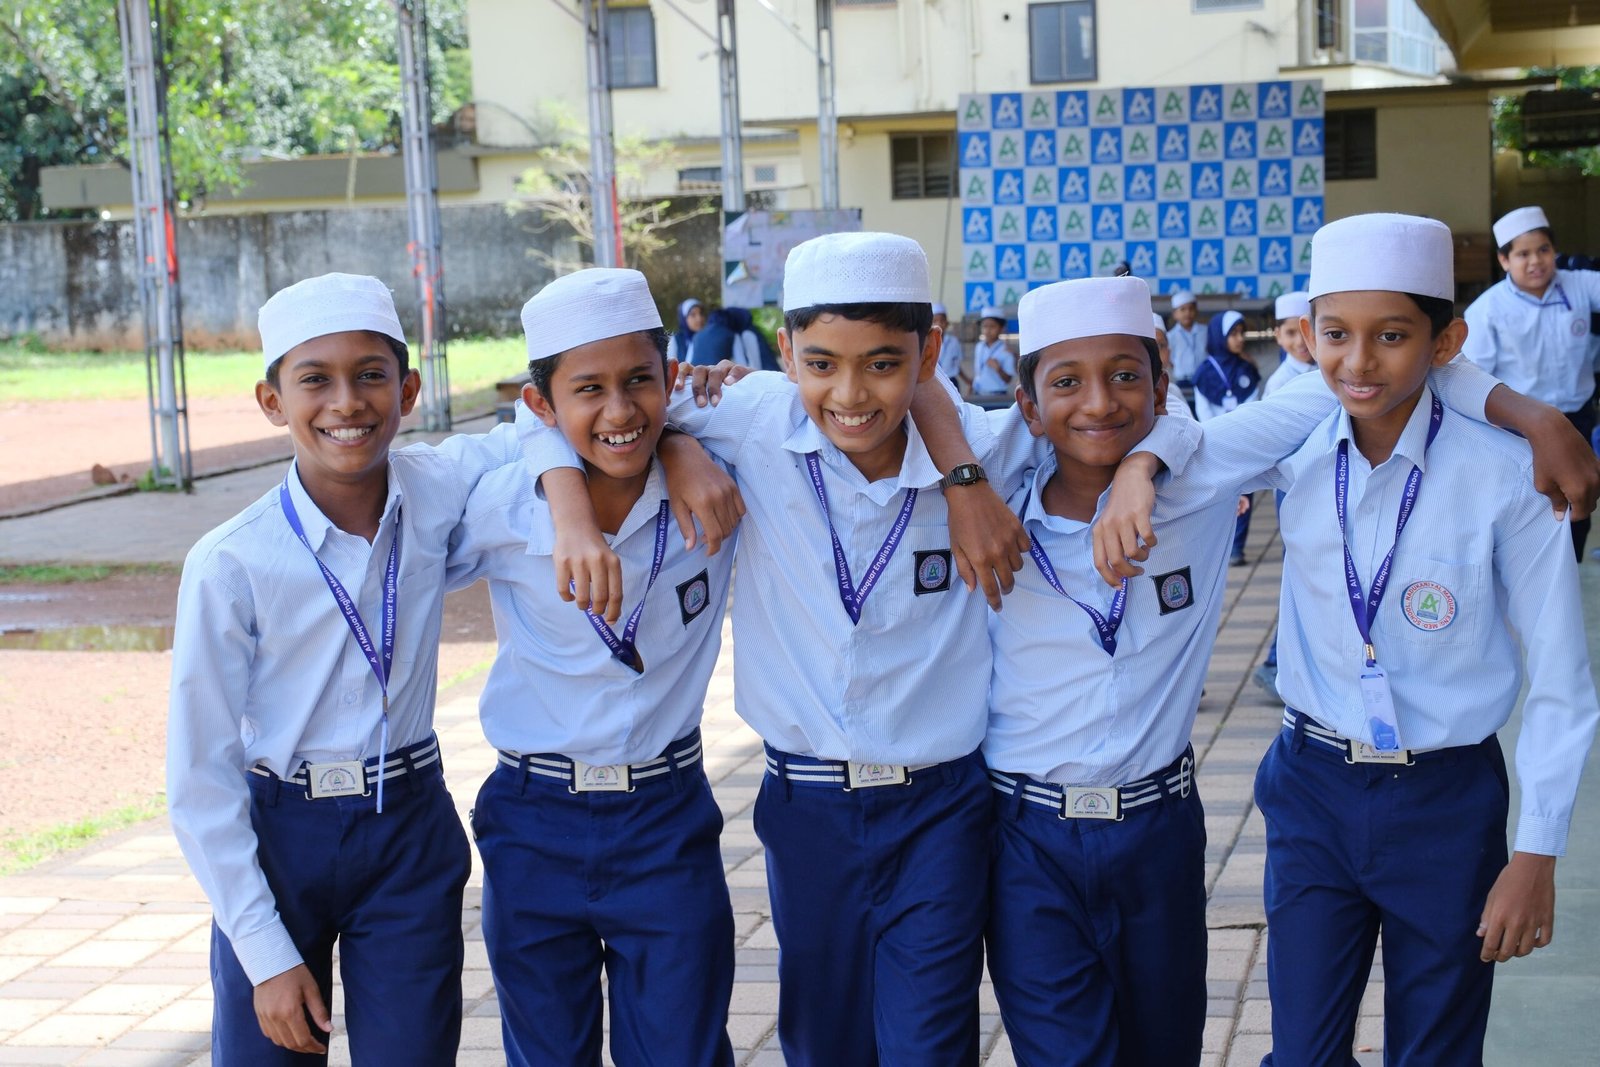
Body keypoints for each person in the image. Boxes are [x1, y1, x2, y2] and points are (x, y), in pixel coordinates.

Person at [521, 232, 1030, 1065]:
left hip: (941, 806)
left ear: (930, 352)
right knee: (823, 1038)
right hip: (807, 807)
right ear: (786, 353)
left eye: (884, 364)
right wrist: (676, 449)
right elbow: (550, 410)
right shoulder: (750, 415)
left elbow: (1142, 428)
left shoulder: (982, 445)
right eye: (822, 363)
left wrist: (967, 478)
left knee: (930, 1038)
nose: (851, 393)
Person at [1106, 213, 1600, 1067]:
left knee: (1436, 1051)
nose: (1360, 362)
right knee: (1300, 1051)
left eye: (1392, 336)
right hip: (1314, 789)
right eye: (1336, 334)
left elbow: (1562, 679)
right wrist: (1136, 466)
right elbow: (1194, 449)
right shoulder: (1296, 437)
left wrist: (1537, 852)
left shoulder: (1504, 478)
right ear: (1307, 336)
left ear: (1447, 342)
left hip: (1447, 802)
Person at [167, 273, 526, 1063]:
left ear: (409, 389)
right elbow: (198, 775)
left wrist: (676, 452)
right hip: (279, 836)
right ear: (272, 400)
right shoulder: (230, 562)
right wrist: (264, 953)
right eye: (315, 380)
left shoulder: (436, 486)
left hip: (408, 826)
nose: (347, 402)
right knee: (269, 1047)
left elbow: (543, 428)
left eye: (370, 375)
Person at [450, 269, 740, 1066]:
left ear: (669, 377)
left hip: (665, 817)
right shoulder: (501, 503)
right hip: (533, 818)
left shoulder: (718, 485)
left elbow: (793, 403)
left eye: (639, 381)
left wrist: (681, 440)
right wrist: (563, 493)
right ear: (542, 404)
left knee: (683, 1049)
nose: (619, 410)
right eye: (589, 390)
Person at [1462, 205, 1600, 561]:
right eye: (1523, 254)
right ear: (1504, 260)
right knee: (1529, 505)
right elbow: (1472, 377)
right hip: (1520, 427)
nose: (1536, 261)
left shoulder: (1579, 285)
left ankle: (1570, 567)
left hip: (1577, 419)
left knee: (1578, 500)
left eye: (1543, 250)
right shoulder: (1488, 309)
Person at [1255, 290, 1315, 691]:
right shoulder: (1280, 383)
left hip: (1323, 483)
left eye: (1305, 331)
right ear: (1278, 336)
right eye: (1290, 333)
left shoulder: (1326, 371)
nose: (1300, 342)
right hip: (1294, 489)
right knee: (1302, 568)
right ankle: (1277, 661)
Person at [1193, 310, 1263, 564]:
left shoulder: (1247, 368)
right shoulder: (1204, 372)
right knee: (1218, 495)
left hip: (1242, 441)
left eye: (1241, 333)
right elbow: (1203, 411)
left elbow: (1253, 404)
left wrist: (1237, 432)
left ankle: (1237, 548)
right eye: (1233, 334)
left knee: (1245, 492)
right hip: (1214, 443)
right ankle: (1218, 544)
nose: (1239, 338)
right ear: (1219, 336)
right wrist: (1221, 434)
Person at [690, 304, 778, 371]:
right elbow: (742, 365)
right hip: (715, 379)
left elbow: (689, 361)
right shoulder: (734, 334)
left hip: (695, 379)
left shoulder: (697, 335)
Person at [1151, 311, 1195, 419]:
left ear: (1168, 352)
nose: (1155, 354)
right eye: (1150, 347)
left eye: (1160, 346)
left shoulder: (1174, 391)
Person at [1166, 289, 1205, 395]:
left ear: (1196, 311)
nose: (1187, 313)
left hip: (1203, 379)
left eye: (1191, 309)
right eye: (1182, 309)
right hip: (1181, 381)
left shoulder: (1205, 332)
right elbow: (1169, 360)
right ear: (1175, 314)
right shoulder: (1170, 336)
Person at [972, 305, 1016, 394]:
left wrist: (998, 368)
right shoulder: (979, 346)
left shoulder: (1005, 350)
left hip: (997, 394)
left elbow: (1008, 380)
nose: (988, 330)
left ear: (1001, 329)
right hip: (979, 392)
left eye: (992, 327)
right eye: (984, 326)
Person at [933, 301, 966, 389]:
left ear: (947, 323)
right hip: (934, 382)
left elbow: (956, 365)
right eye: (935, 321)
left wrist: (967, 381)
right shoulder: (926, 343)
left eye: (942, 321)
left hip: (951, 381)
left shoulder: (954, 341)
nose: (939, 324)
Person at [667, 296, 705, 362]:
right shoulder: (676, 340)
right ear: (684, 318)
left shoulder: (708, 339)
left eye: (701, 313)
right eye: (693, 315)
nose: (699, 319)